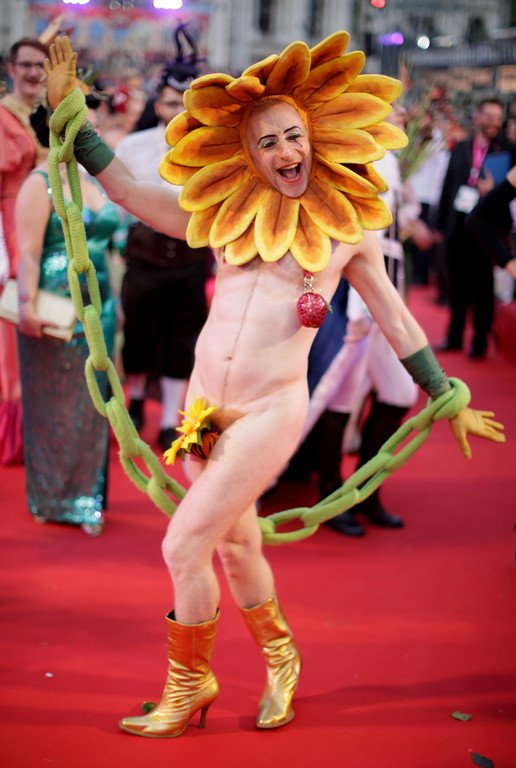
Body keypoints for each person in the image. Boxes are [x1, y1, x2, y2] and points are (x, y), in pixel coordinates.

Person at [44, 33, 505, 738]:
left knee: (183, 546)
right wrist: (73, 122)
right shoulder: (226, 215)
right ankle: (283, 660)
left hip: (269, 410)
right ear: (248, 154)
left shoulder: (348, 229)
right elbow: (130, 192)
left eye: (294, 136)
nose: (285, 152)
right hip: (202, 407)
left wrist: (446, 394)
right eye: (267, 143)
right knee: (235, 548)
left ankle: (189, 685)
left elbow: (396, 317)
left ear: (315, 139)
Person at [15, 102, 120, 535]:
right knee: (55, 405)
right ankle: (54, 498)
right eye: (85, 128)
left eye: (94, 128)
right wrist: (26, 306)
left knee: (93, 405)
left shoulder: (92, 180)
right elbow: (28, 253)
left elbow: (108, 245)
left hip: (101, 306)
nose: (93, 135)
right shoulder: (37, 184)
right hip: (56, 309)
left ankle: (87, 495)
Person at [116, 67, 211, 451]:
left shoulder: (211, 146)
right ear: (157, 105)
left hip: (191, 255)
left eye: (185, 105)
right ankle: (137, 399)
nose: (177, 112)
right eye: (171, 103)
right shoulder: (133, 145)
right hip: (144, 255)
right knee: (139, 336)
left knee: (183, 340)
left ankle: (171, 420)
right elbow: (116, 200)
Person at [435, 97, 514, 359]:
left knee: (483, 287)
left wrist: (494, 190)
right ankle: (454, 336)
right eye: (489, 116)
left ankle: (480, 341)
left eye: (498, 118)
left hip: (487, 228)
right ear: (478, 117)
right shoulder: (461, 147)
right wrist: (440, 224)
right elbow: (448, 184)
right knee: (456, 285)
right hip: (457, 225)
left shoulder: (507, 149)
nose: (494, 122)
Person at [0, 36, 48, 465]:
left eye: (41, 65)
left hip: (49, 233)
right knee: (12, 329)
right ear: (11, 69)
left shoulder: (47, 113)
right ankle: (14, 433)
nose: (34, 72)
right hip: (12, 235)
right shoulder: (3, 117)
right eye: (27, 64)